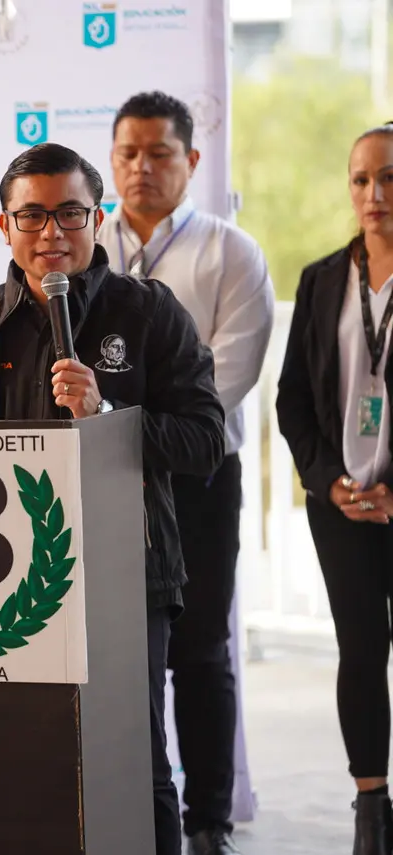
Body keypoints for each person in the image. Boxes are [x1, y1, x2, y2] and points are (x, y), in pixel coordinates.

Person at [0, 142, 225, 855]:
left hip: (124, 575)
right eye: (33, 216)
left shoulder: (148, 312)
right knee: (20, 763)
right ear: (4, 225)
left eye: (70, 213)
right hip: (3, 583)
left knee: (132, 761)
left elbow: (206, 440)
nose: (52, 232)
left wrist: (108, 412)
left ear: (97, 216)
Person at [104, 91, 275, 855]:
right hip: (99, 483)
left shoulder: (230, 251)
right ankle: (122, 807)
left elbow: (221, 381)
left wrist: (129, 430)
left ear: (192, 161)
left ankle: (207, 821)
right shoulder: (81, 245)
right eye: (129, 153)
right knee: (113, 650)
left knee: (199, 647)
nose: (143, 168)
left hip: (200, 479)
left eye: (160, 153)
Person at [276, 120, 393, 855]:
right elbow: (292, 399)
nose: (374, 193)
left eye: (389, 177)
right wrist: (328, 481)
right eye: (360, 179)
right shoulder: (322, 279)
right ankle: (371, 810)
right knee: (360, 646)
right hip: (342, 502)